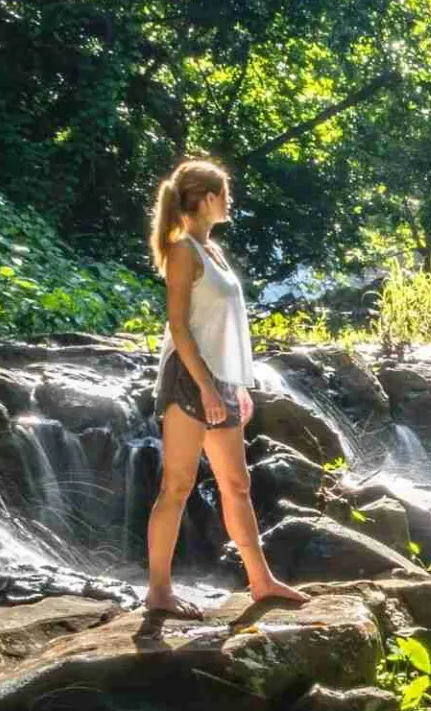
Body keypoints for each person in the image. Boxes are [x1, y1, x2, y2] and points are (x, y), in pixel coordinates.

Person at [143, 159, 307, 618]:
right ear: (208, 198)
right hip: (188, 379)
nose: (231, 201)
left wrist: (233, 385)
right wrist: (206, 388)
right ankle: (159, 591)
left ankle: (261, 580)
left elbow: (222, 326)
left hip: (220, 380)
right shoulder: (182, 251)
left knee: (237, 483)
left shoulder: (210, 250)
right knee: (176, 486)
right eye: (227, 193)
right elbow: (179, 328)